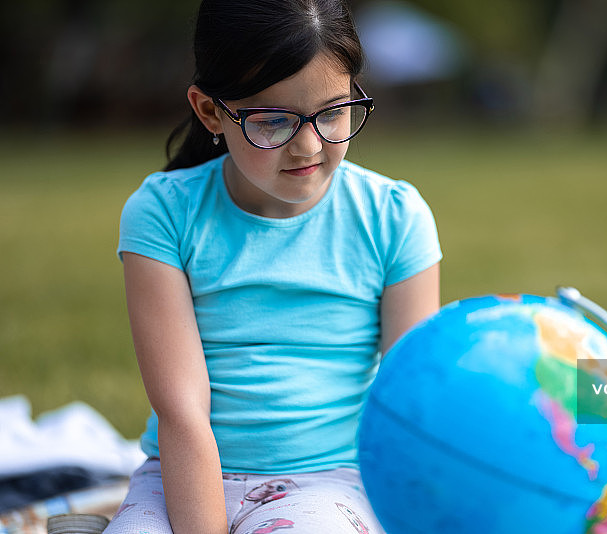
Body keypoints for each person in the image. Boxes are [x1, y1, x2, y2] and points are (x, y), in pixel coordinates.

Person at [105, 1, 441, 533]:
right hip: (183, 472)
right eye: (273, 121)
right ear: (211, 112)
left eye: (333, 111)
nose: (308, 146)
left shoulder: (394, 217)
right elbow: (182, 413)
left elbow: (412, 403)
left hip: (330, 482)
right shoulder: (163, 213)